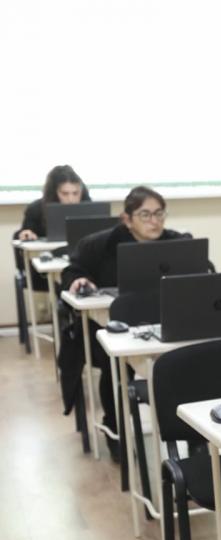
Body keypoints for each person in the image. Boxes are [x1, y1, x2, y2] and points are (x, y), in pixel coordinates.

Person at [61, 187, 192, 461]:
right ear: (127, 219)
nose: (154, 221)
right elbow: (72, 270)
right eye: (145, 214)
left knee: (193, 359)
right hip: (112, 327)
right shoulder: (100, 245)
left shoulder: (177, 242)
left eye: (159, 213)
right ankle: (114, 427)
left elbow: (202, 265)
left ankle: (195, 436)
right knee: (115, 366)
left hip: (164, 327)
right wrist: (79, 280)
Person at [12, 165, 93, 291]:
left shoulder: (89, 208)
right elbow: (24, 237)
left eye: (75, 193)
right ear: (54, 193)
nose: (71, 199)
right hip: (43, 270)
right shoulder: (36, 209)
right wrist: (27, 235)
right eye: (65, 194)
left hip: (79, 265)